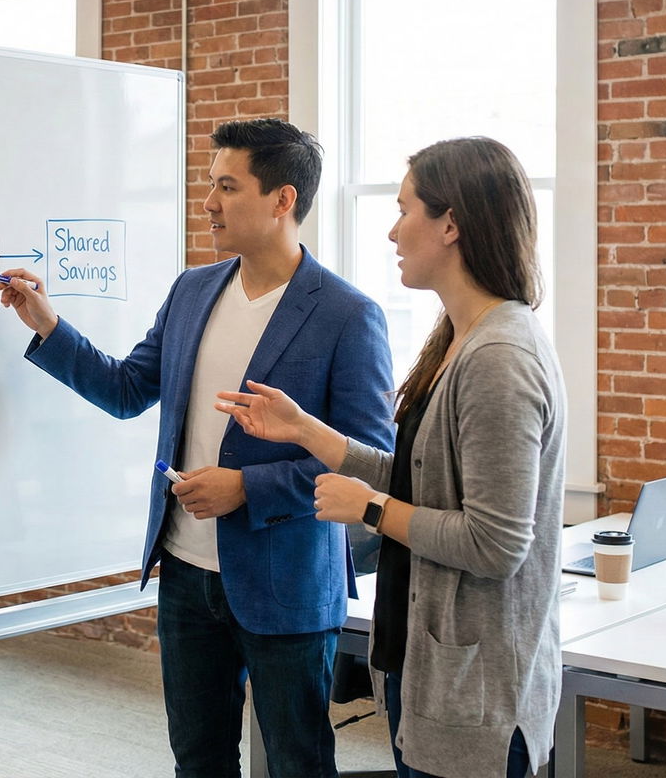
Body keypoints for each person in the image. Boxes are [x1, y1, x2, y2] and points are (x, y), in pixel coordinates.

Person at [0, 118, 394, 777]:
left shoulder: (348, 315)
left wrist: (247, 488)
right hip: (184, 575)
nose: (208, 201)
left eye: (227, 186)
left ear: (282, 199)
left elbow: (368, 457)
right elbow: (126, 389)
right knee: (198, 760)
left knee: (298, 762)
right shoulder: (192, 291)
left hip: (288, 580)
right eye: (211, 184)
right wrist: (48, 323)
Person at [215, 136, 564, 778]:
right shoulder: (463, 339)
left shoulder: (499, 361)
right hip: (436, 672)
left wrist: (371, 510)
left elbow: (496, 542)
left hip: (476, 688)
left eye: (405, 210)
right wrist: (309, 434)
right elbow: (422, 482)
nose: (391, 230)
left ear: (451, 224)